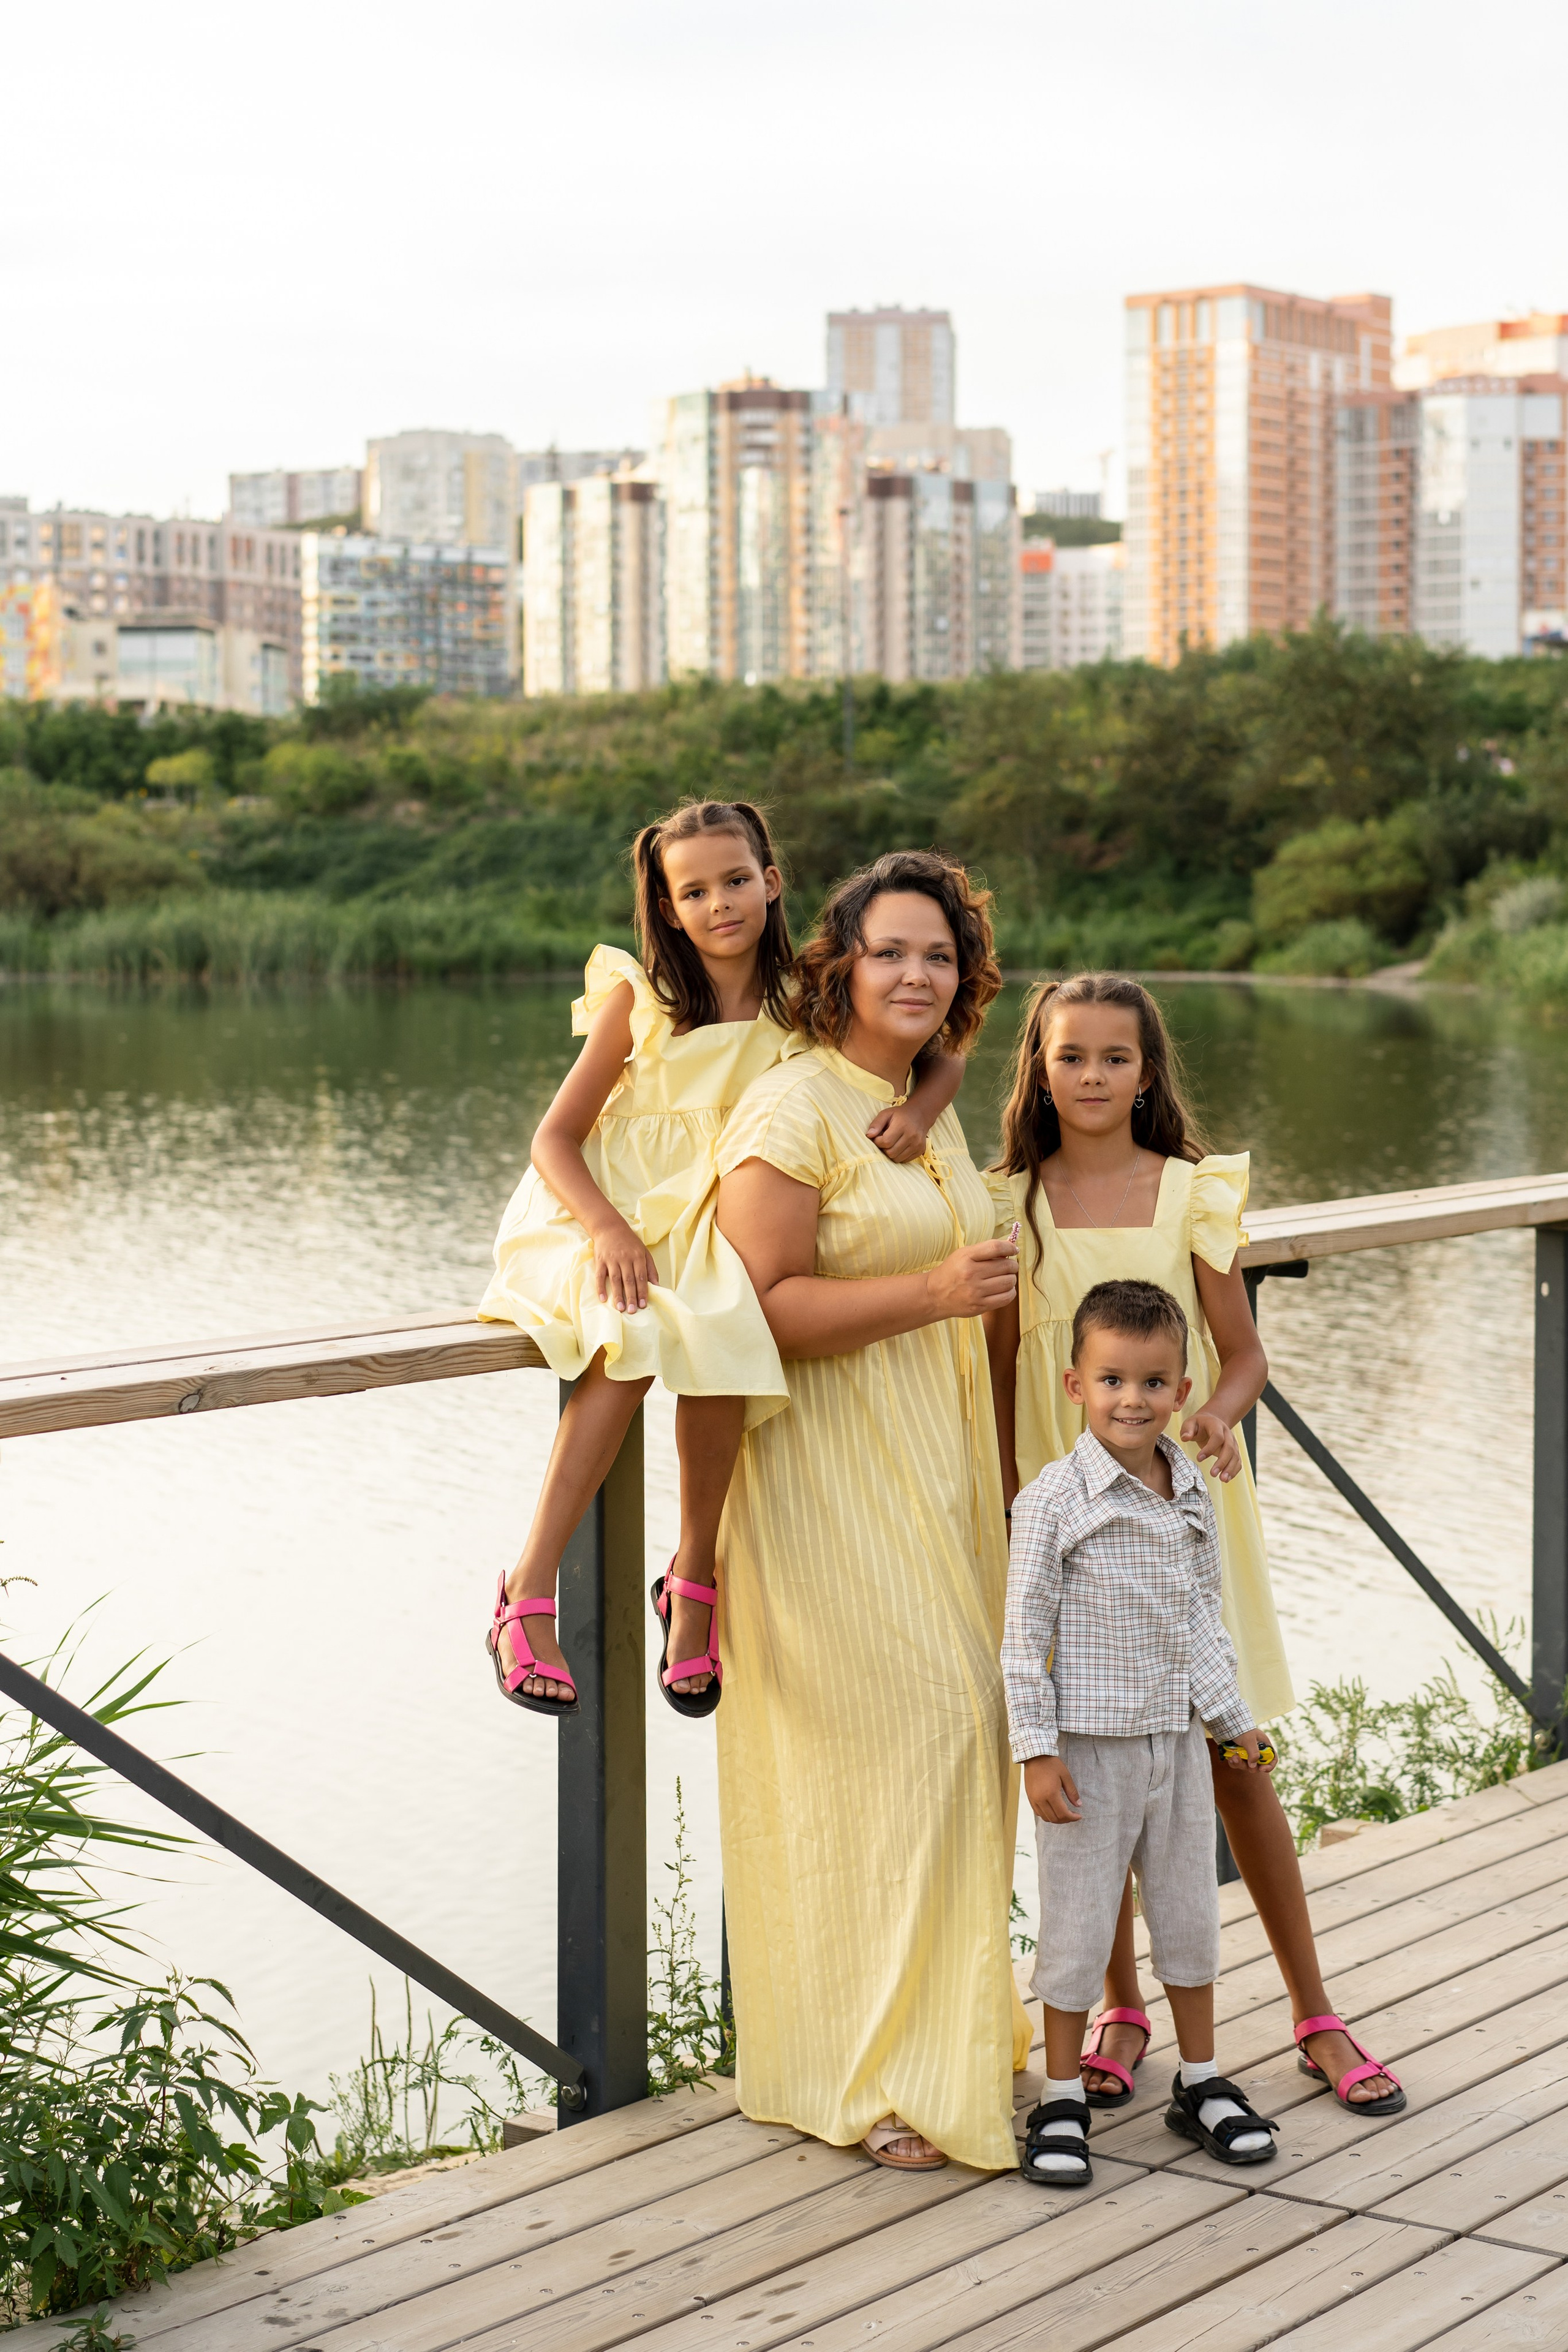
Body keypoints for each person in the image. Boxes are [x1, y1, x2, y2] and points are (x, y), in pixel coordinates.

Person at [985, 971, 1405, 2119]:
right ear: (1039, 1071)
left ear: (1147, 1072)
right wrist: (1012, 1500)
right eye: (1070, 1056)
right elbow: (1000, 1371)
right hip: (1067, 1517)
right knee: (1099, 1756)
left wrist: (1216, 1412)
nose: (1092, 1076)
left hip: (1184, 1511)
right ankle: (1122, 2010)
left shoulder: (1191, 1193)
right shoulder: (1006, 1204)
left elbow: (1242, 1351)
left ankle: (1315, 2012)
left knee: (1235, 1753)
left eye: (1115, 1057)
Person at [478, 799, 962, 1719]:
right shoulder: (642, 1003)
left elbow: (940, 1059)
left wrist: (920, 1112)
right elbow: (553, 1139)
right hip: (611, 1214)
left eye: (736, 880)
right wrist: (609, 1231)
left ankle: (693, 1575)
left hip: (709, 1221)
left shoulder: (806, 1000)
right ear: (667, 907)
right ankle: (529, 1587)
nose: (720, 904)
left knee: (726, 1333)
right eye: (694, 891)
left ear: (771, 882)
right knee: (627, 1344)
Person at [715, 850, 1028, 2176]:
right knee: (919, 1742)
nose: (916, 974)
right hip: (824, 1482)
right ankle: (865, 2072)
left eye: (938, 956)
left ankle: (946, 2039)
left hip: (936, 1476)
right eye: (890, 951)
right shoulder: (790, 1111)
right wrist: (935, 1294)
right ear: (838, 964)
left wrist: (1008, 1465)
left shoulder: (915, 1110)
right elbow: (754, 1310)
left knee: (967, 1739)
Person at [1005, 1277, 1282, 2189]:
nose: (1134, 1400)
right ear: (1075, 1385)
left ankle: (1200, 2081)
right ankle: (1060, 2097)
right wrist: (1036, 1751)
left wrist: (1232, 1722)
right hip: (1089, 1751)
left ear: (1182, 1388)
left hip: (1177, 1744)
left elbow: (1202, 1619)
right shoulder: (1054, 1501)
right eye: (1113, 1380)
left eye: (1154, 1383)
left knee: (1189, 1914)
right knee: (1080, 1925)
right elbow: (1023, 1639)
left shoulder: (1190, 1487)